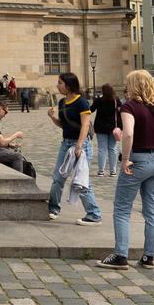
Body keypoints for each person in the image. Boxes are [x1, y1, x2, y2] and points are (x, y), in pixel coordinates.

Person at [97, 69, 154, 269]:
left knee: (122, 209)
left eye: (128, 83)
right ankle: (149, 257)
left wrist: (125, 159)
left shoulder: (129, 107)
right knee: (152, 210)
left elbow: (129, 134)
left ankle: (121, 255)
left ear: (133, 86)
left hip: (137, 161)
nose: (125, 87)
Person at [46, 71, 101, 223]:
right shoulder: (62, 102)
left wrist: (79, 145)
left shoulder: (81, 102)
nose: (58, 85)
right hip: (66, 144)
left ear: (69, 85)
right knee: (58, 177)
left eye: (60, 83)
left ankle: (94, 214)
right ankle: (53, 208)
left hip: (80, 145)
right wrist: (52, 117)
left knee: (81, 180)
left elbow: (85, 125)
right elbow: (63, 125)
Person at [92, 83, 120, 175]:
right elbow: (120, 112)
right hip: (113, 127)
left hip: (100, 127)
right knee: (113, 149)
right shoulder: (116, 100)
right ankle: (113, 171)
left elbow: (91, 109)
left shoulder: (99, 100)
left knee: (102, 149)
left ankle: (101, 171)